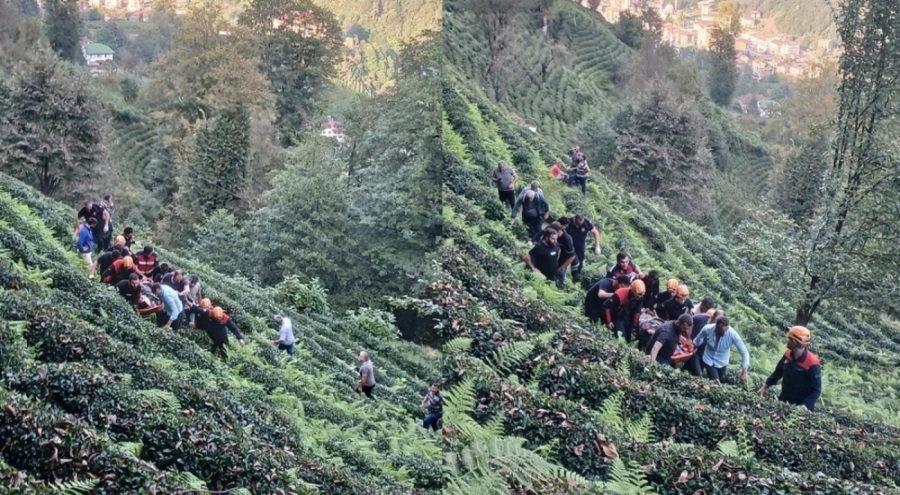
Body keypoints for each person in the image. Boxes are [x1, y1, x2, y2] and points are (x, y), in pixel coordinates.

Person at [757, 326, 822, 411]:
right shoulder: (788, 354)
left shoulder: (812, 363)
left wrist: (803, 408)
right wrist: (764, 387)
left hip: (801, 407)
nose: (787, 340)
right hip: (784, 401)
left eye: (789, 338)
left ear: (795, 342)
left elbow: (816, 390)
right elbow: (778, 373)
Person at [693, 316, 750, 383]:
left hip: (722, 362)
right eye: (722, 331)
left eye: (726, 330)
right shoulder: (707, 329)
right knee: (716, 382)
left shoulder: (733, 335)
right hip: (709, 359)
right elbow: (698, 339)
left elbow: (744, 352)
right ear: (716, 327)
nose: (724, 333)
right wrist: (694, 347)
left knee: (716, 380)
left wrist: (744, 371)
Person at [562, 215, 601, 282]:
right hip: (568, 245)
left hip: (580, 246)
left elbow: (595, 232)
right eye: (578, 223)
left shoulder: (586, 222)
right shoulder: (569, 221)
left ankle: (575, 279)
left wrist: (597, 246)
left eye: (581, 222)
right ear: (575, 219)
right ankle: (561, 277)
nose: (580, 224)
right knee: (564, 260)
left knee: (579, 263)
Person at [687, 297, 717, 376]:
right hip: (693, 346)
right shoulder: (700, 317)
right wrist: (689, 338)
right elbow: (688, 322)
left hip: (703, 350)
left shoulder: (716, 327)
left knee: (695, 366)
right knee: (697, 371)